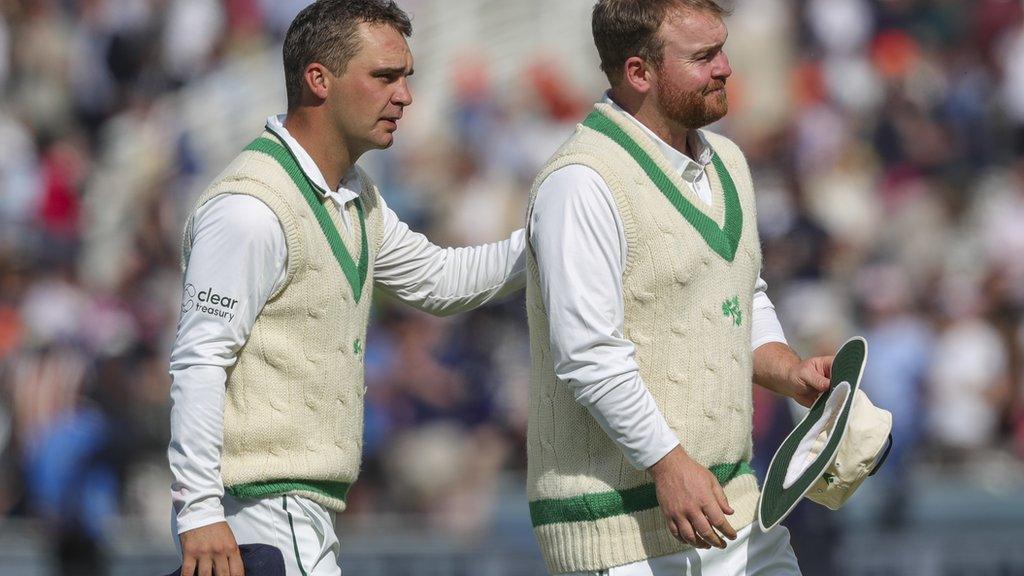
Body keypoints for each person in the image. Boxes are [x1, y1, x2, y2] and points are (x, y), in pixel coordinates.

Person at [167, 1, 526, 575]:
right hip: (259, 512)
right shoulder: (250, 208)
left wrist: (552, 239)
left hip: (296, 511)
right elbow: (199, 361)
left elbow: (441, 280)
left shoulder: (353, 197)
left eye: (406, 76)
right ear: (319, 80)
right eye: (385, 76)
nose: (405, 95)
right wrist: (199, 511)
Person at [525, 1, 833, 574]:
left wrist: (789, 373)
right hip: (620, 531)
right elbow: (588, 353)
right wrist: (668, 463)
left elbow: (739, 296)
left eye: (722, 48)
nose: (727, 68)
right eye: (703, 56)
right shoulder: (581, 182)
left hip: (734, 507)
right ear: (639, 72)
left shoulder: (729, 162)